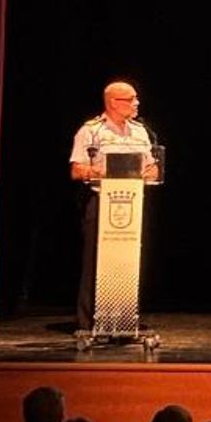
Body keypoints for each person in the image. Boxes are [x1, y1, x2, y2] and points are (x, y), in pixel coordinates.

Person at [68, 81, 161, 332]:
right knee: (95, 261)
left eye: (136, 98)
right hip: (101, 202)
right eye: (131, 99)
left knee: (127, 262)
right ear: (113, 102)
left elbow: (152, 167)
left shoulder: (141, 132)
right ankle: (88, 323)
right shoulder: (91, 131)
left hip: (132, 203)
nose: (136, 103)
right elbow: (77, 170)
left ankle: (123, 320)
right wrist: (97, 170)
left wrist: (152, 171)